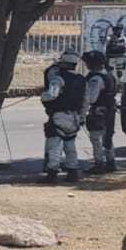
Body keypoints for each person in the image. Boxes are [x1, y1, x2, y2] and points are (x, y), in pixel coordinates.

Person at [41, 50, 88, 182]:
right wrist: (81, 117)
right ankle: (72, 171)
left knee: (55, 145)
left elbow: (51, 95)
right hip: (74, 117)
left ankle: (52, 173)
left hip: (59, 115)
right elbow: (85, 101)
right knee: (70, 145)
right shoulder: (82, 80)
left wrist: (43, 96)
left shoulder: (58, 79)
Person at [82, 50, 119, 173]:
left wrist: (82, 112)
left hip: (99, 111)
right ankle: (111, 162)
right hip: (110, 110)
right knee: (107, 137)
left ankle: (99, 164)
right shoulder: (109, 76)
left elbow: (91, 98)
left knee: (96, 138)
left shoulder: (95, 78)